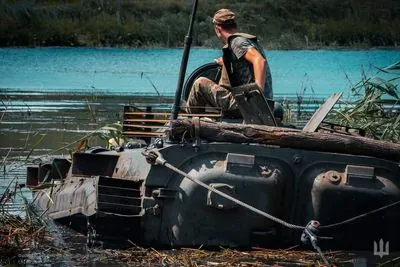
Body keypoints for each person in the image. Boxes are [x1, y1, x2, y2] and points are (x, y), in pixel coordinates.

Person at [186, 8, 273, 116]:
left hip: (248, 104)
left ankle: (189, 122)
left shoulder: (237, 42)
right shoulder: (246, 40)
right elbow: (245, 66)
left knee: (199, 84)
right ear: (235, 25)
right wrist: (227, 62)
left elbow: (259, 60)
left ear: (217, 29)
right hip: (259, 104)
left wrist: (257, 94)